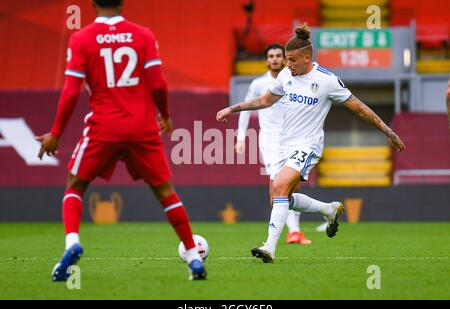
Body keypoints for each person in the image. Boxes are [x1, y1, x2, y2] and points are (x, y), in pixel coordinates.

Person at [36, 0, 206, 280]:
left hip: (104, 127)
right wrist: (165, 114)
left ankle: (72, 243)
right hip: (142, 126)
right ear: (123, 2)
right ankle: (193, 258)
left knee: (75, 185)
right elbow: (158, 82)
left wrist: (56, 133)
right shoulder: (143, 35)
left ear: (92, 2)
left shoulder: (82, 38)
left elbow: (70, 91)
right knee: (166, 192)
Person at [217, 25, 406, 263]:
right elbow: (265, 100)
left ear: (307, 58)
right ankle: (329, 209)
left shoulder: (327, 80)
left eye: (293, 60)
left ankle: (270, 247)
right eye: (287, 59)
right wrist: (233, 109)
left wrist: (388, 131)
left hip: (308, 146)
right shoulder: (286, 75)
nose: (288, 64)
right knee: (279, 197)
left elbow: (359, 107)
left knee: (281, 186)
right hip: (283, 145)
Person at [235, 44, 311, 245]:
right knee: (277, 185)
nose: (275, 59)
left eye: (279, 55)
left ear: (285, 59)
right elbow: (247, 109)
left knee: (294, 183)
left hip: (293, 137)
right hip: (269, 140)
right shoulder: (259, 84)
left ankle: (294, 231)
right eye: (272, 56)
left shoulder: (293, 80)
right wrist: (241, 138)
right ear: (267, 60)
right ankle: (289, 231)